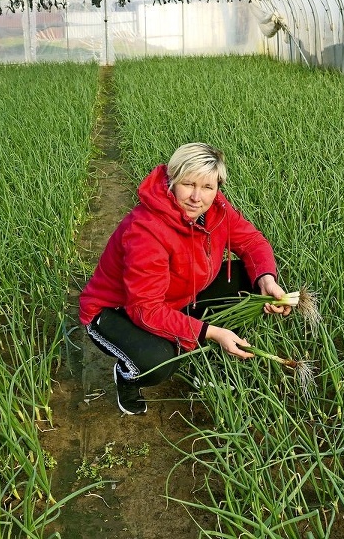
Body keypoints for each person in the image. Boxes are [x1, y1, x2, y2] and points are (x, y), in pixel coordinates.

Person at [79, 143, 292, 415]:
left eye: (207, 187)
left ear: (218, 188)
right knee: (159, 362)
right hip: (117, 311)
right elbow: (145, 308)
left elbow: (251, 242)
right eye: (187, 184)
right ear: (170, 181)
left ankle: (206, 362)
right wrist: (211, 332)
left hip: (174, 298)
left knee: (248, 281)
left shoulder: (217, 210)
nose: (196, 197)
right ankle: (128, 374)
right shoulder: (146, 231)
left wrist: (266, 279)